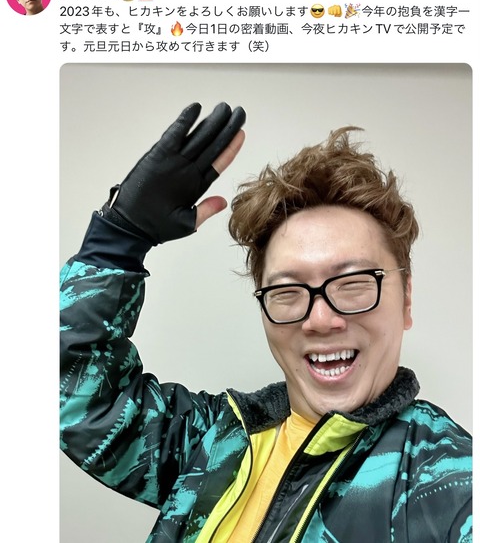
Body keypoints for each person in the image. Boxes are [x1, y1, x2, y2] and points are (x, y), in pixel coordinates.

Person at [60, 102, 472, 542]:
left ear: (405, 299)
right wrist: (118, 239)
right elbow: (79, 401)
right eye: (288, 291)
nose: (320, 319)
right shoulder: (215, 440)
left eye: (353, 284)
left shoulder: (447, 482)